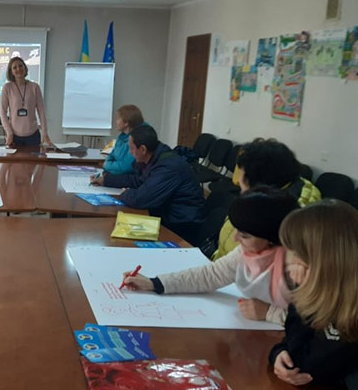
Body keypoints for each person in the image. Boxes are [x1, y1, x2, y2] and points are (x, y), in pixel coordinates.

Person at [120, 186, 300, 325]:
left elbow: (320, 322)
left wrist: (269, 313)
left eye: (245, 235)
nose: (236, 239)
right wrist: (154, 283)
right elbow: (210, 275)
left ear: (272, 237)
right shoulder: (248, 252)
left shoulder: (299, 265)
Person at [269, 200, 358, 387]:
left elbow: (304, 366)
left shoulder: (355, 318)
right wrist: (279, 354)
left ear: (324, 261)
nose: (288, 260)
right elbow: (292, 351)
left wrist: (301, 292)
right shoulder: (337, 297)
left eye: (293, 252)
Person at [212, 138, 321, 261]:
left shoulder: (272, 217)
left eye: (242, 176)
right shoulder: (293, 188)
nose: (238, 182)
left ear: (259, 184)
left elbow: (240, 262)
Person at [91, 125, 204, 243]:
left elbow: (141, 199)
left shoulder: (168, 167)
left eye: (131, 148)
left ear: (143, 149)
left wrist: (125, 193)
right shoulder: (154, 158)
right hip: (166, 214)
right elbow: (138, 180)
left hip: (181, 226)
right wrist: (106, 180)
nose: (130, 152)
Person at [0, 56, 52, 147]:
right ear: (11, 71)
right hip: (14, 136)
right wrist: (9, 133)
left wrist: (44, 132)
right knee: (14, 162)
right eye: (14, 67)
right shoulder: (7, 88)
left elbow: (41, 111)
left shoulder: (34, 87)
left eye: (20, 66)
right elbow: (2, 112)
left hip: (33, 135)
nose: (18, 69)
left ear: (25, 68)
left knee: (33, 161)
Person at [103, 105, 145, 175]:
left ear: (126, 123)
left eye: (118, 119)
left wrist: (106, 166)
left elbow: (126, 167)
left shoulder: (137, 138)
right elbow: (112, 155)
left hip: (128, 178)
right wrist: (108, 166)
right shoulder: (121, 136)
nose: (116, 122)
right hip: (115, 174)